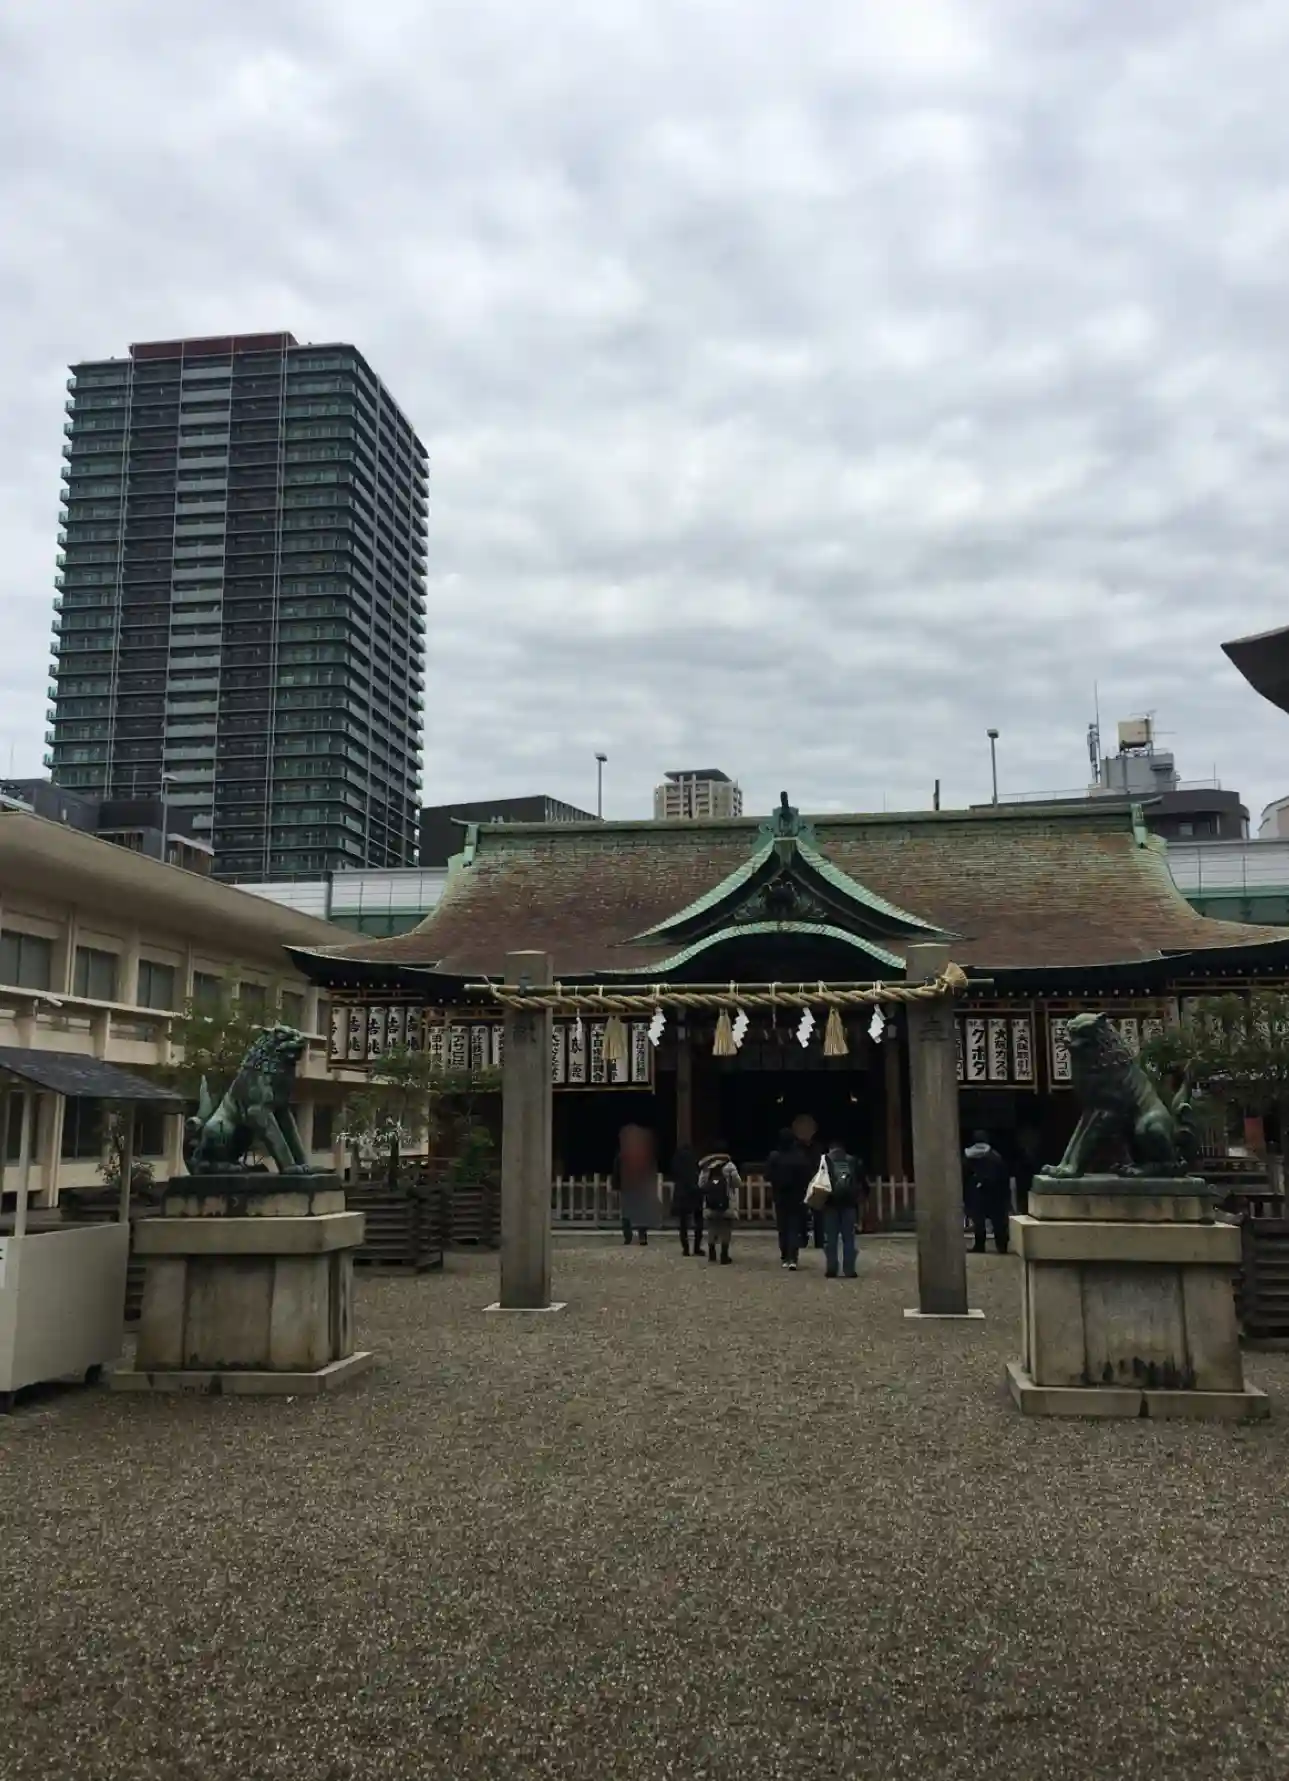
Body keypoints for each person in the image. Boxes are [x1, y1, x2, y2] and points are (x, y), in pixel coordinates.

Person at [767, 1127, 811, 1269]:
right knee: (794, 1227)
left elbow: (768, 1175)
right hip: (797, 1196)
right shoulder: (800, 1157)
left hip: (780, 1196)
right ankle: (793, 1257)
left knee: (783, 1227)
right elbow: (807, 1176)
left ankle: (785, 1256)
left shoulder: (775, 1157)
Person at [821, 1139, 865, 1278]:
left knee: (831, 1238)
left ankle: (831, 1268)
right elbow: (861, 1182)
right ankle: (849, 1269)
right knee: (849, 1238)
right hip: (849, 1204)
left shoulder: (825, 1161)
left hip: (830, 1203)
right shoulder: (853, 1161)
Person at [963, 1129, 1010, 1254]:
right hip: (995, 1193)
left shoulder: (968, 1156)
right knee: (998, 1221)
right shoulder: (994, 1156)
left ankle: (979, 1245)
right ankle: (1001, 1246)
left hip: (976, 1194)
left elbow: (964, 1175)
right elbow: (1003, 1176)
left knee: (978, 1222)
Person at [613, 1124, 660, 1246]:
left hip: (629, 1186)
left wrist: (616, 1185)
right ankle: (641, 1236)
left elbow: (617, 1172)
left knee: (628, 1213)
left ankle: (628, 1236)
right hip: (639, 1186)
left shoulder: (622, 1156)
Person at [697, 1143, 741, 1265]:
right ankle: (724, 1255)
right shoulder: (730, 1166)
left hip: (710, 1203)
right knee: (726, 1228)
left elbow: (701, 1184)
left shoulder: (706, 1167)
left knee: (712, 1227)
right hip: (727, 1202)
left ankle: (712, 1253)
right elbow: (737, 1183)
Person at [670, 1142, 704, 1257]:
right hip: (694, 1190)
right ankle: (697, 1247)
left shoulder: (677, 1159)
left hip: (681, 1192)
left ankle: (686, 1248)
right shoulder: (695, 1157)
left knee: (683, 1223)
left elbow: (674, 1173)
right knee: (698, 1220)